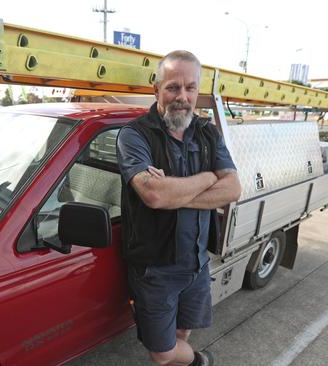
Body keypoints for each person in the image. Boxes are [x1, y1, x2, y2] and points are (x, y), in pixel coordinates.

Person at [116, 50, 241, 366]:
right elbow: (155, 197)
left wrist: (173, 191)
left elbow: (233, 189)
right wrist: (210, 177)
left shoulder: (207, 133)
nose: (182, 97)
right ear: (156, 89)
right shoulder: (134, 135)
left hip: (196, 263)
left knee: (182, 332)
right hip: (155, 269)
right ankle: (198, 361)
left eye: (190, 88)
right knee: (162, 352)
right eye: (173, 87)